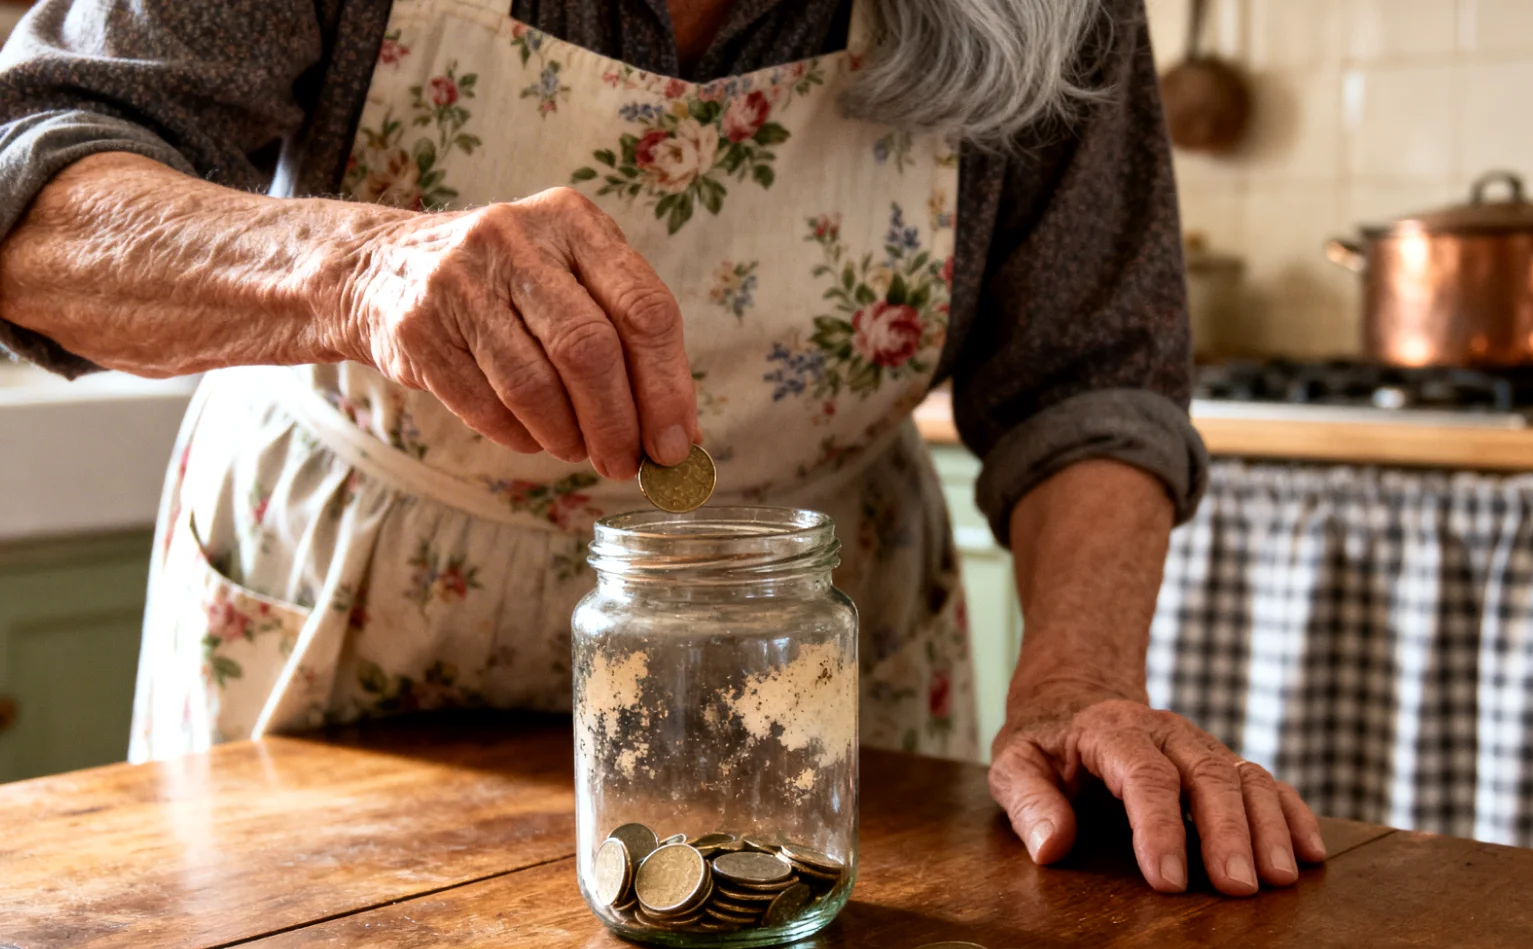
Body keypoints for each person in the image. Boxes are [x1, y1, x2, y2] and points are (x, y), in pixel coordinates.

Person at [0, 0, 1324, 896]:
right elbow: (32, 188)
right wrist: (361, 269)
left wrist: (1074, 676)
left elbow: (1088, 375)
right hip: (348, 643)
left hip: (806, 666)